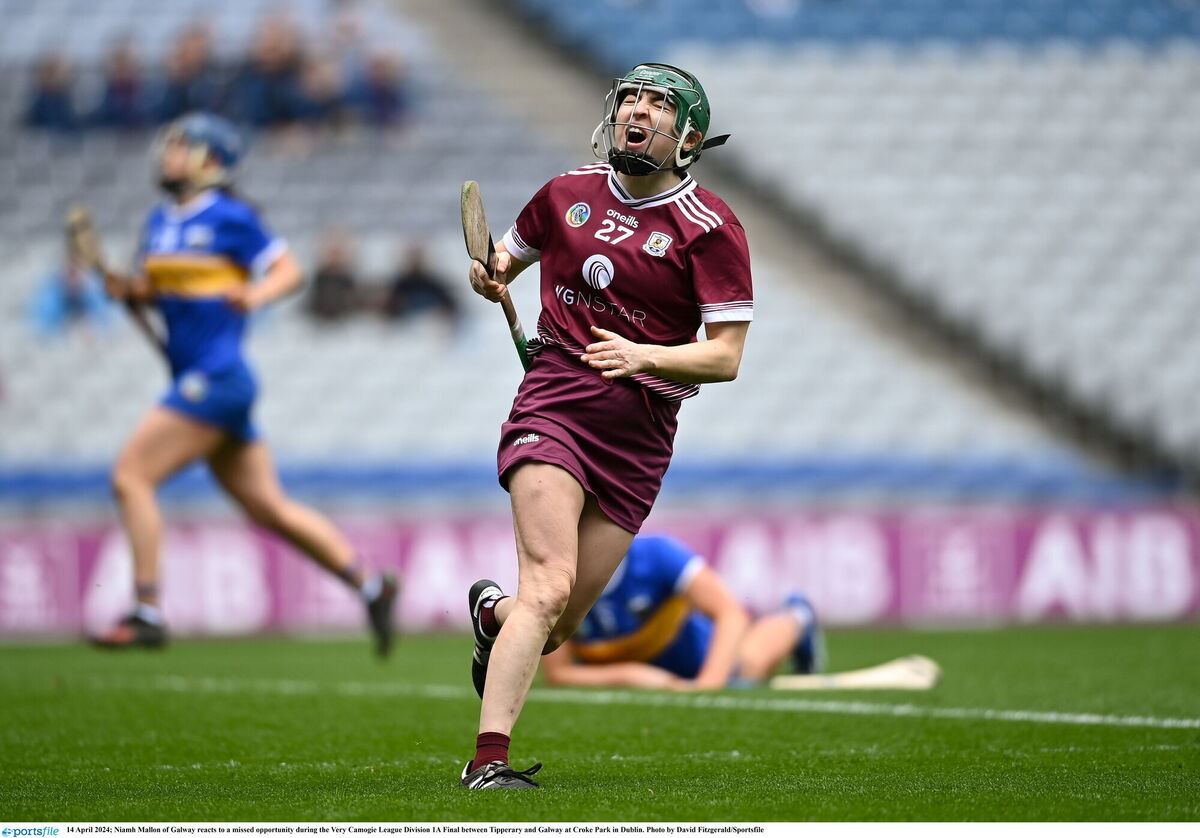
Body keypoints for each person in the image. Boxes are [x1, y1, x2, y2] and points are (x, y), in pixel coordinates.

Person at [462, 63, 750, 789]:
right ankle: (487, 761)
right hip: (554, 403)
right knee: (551, 585)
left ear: (686, 136)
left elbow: (725, 358)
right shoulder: (566, 195)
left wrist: (643, 354)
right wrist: (490, 273)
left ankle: (494, 615)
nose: (638, 112)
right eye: (631, 100)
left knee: (554, 626)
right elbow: (505, 260)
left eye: (657, 105)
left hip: (641, 438)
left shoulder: (711, 229)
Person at [91, 112, 397, 655]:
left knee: (130, 477)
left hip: (218, 378)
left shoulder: (230, 216)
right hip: (202, 380)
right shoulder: (159, 222)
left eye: (182, 146)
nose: (168, 153)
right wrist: (131, 293)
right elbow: (157, 292)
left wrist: (253, 297)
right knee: (269, 508)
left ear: (212, 159)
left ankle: (147, 609)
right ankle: (370, 586)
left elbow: (289, 271)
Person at [540, 534, 824, 691]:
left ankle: (798, 617)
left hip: (696, 658)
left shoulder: (656, 555)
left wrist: (709, 683)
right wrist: (631, 675)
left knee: (748, 665)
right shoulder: (554, 580)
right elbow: (559, 673)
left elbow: (731, 614)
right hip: (651, 674)